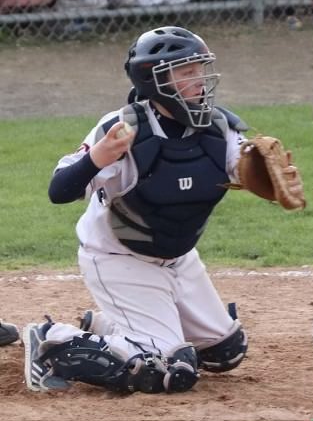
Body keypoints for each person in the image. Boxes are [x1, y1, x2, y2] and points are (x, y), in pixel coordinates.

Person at [22, 26, 301, 395]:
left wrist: (271, 184)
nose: (199, 80)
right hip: (120, 259)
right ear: (154, 79)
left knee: (224, 352)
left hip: (179, 258)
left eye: (200, 69)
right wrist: (97, 157)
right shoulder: (123, 130)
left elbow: (247, 170)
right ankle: (50, 342)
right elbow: (60, 191)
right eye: (186, 72)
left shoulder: (220, 128)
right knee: (167, 371)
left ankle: (113, 328)